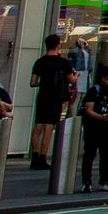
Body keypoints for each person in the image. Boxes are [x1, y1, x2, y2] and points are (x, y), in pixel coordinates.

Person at [26, 33, 73, 171]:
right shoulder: (63, 62)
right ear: (58, 45)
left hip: (42, 96)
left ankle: (34, 158)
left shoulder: (40, 61)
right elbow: (71, 80)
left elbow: (33, 82)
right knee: (49, 126)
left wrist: (44, 82)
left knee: (38, 125)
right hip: (55, 97)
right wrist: (75, 76)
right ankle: (42, 157)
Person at [78, 62, 108, 191]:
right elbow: (88, 109)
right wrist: (100, 117)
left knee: (106, 156)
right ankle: (87, 182)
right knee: (89, 155)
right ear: (102, 78)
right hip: (93, 128)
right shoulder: (95, 91)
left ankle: (104, 181)